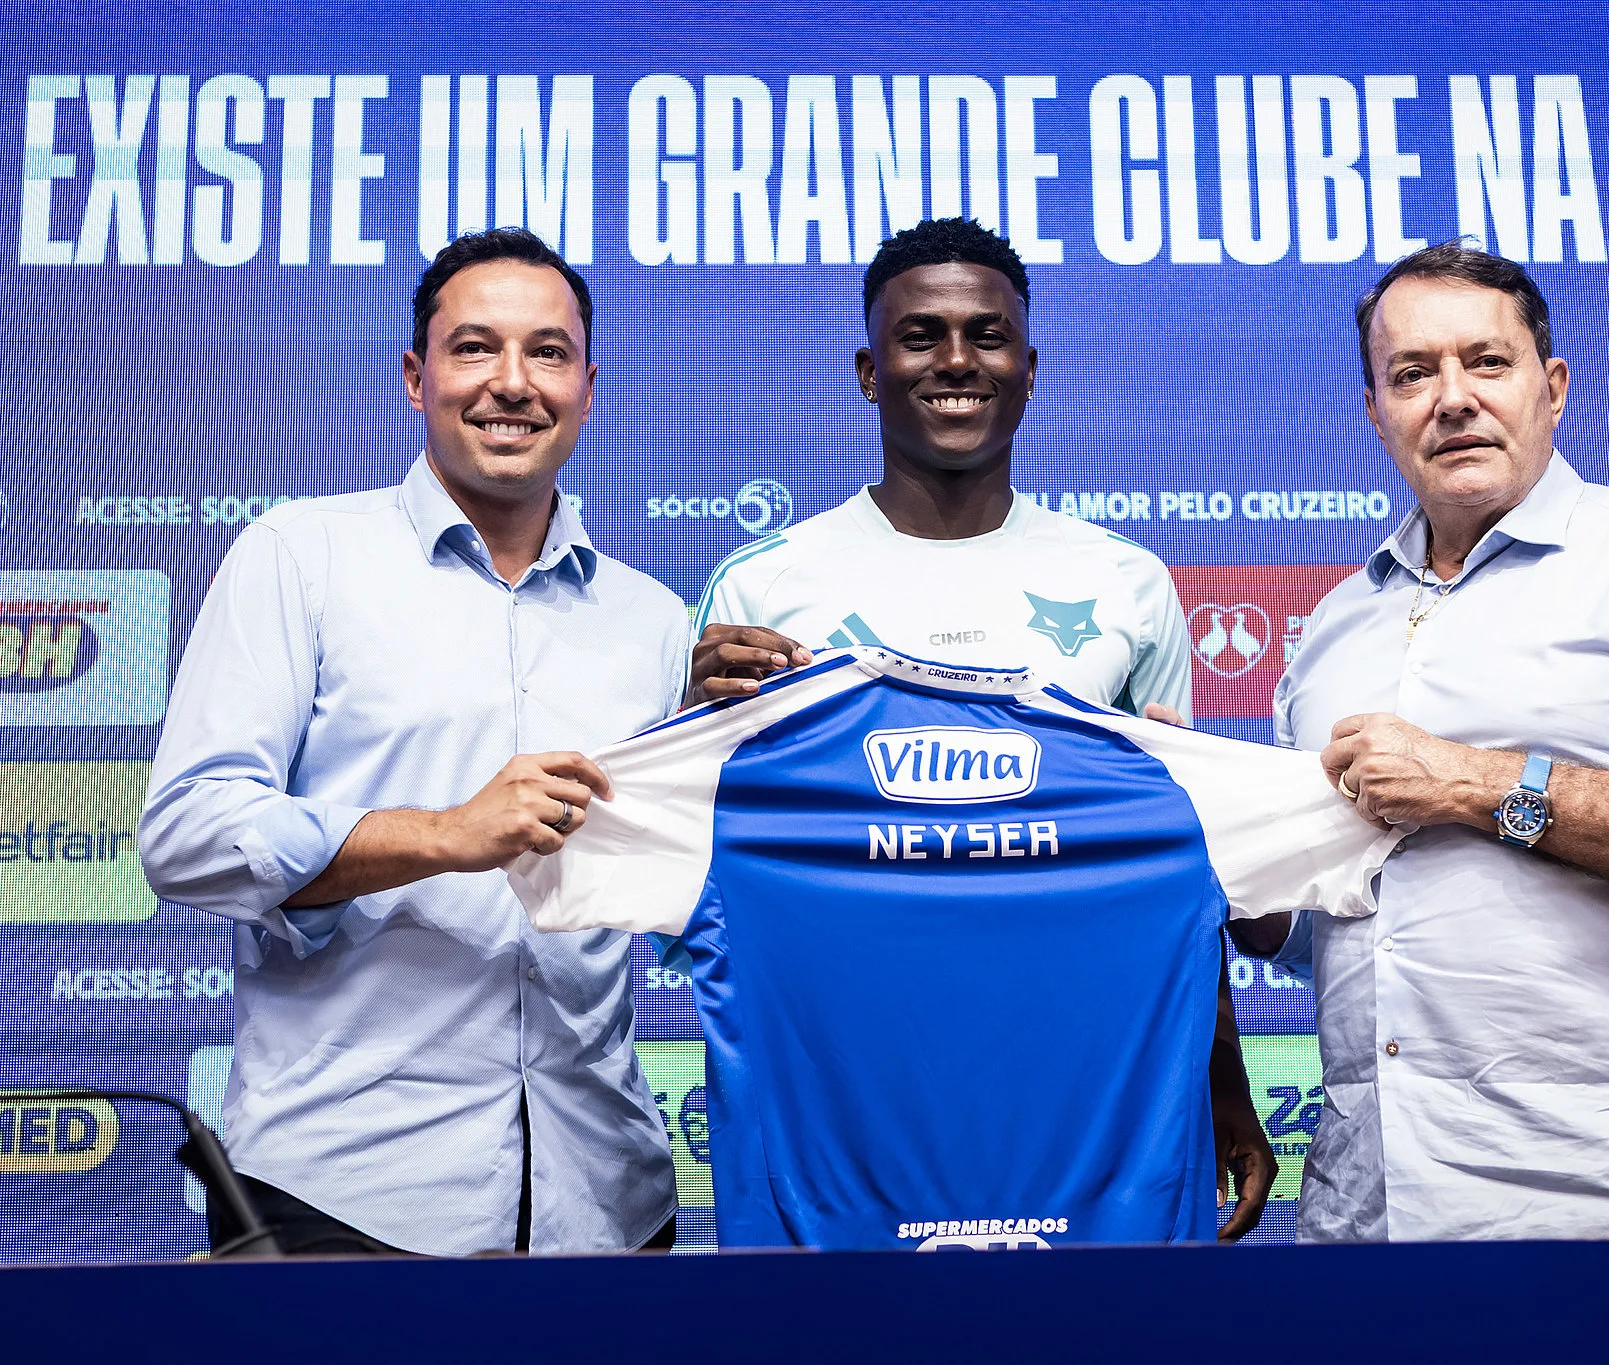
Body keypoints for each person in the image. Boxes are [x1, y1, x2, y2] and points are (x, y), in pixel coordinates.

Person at [686, 217, 1278, 1238]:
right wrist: (693, 735)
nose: (955, 362)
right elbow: (707, 864)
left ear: (1029, 368)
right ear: (870, 372)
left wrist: (1220, 1080)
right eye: (920, 337)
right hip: (849, 1104)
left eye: (985, 335)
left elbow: (1179, 868)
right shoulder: (762, 585)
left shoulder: (1125, 584)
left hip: (1081, 1093)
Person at [139, 228, 687, 1256]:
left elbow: (673, 894)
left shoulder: (652, 619)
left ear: (588, 384)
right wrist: (442, 834)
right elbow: (186, 835)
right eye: (474, 348)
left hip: (603, 1200)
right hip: (344, 1188)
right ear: (414, 375)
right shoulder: (300, 558)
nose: (512, 385)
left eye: (548, 354)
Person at [1269, 241, 1609, 1241]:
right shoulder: (1331, 628)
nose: (1450, 398)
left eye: (1485, 362)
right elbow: (1344, 930)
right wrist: (1204, 855)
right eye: (1410, 374)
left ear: (1551, 386)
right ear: (1373, 411)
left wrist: (1477, 785)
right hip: (1372, 1220)